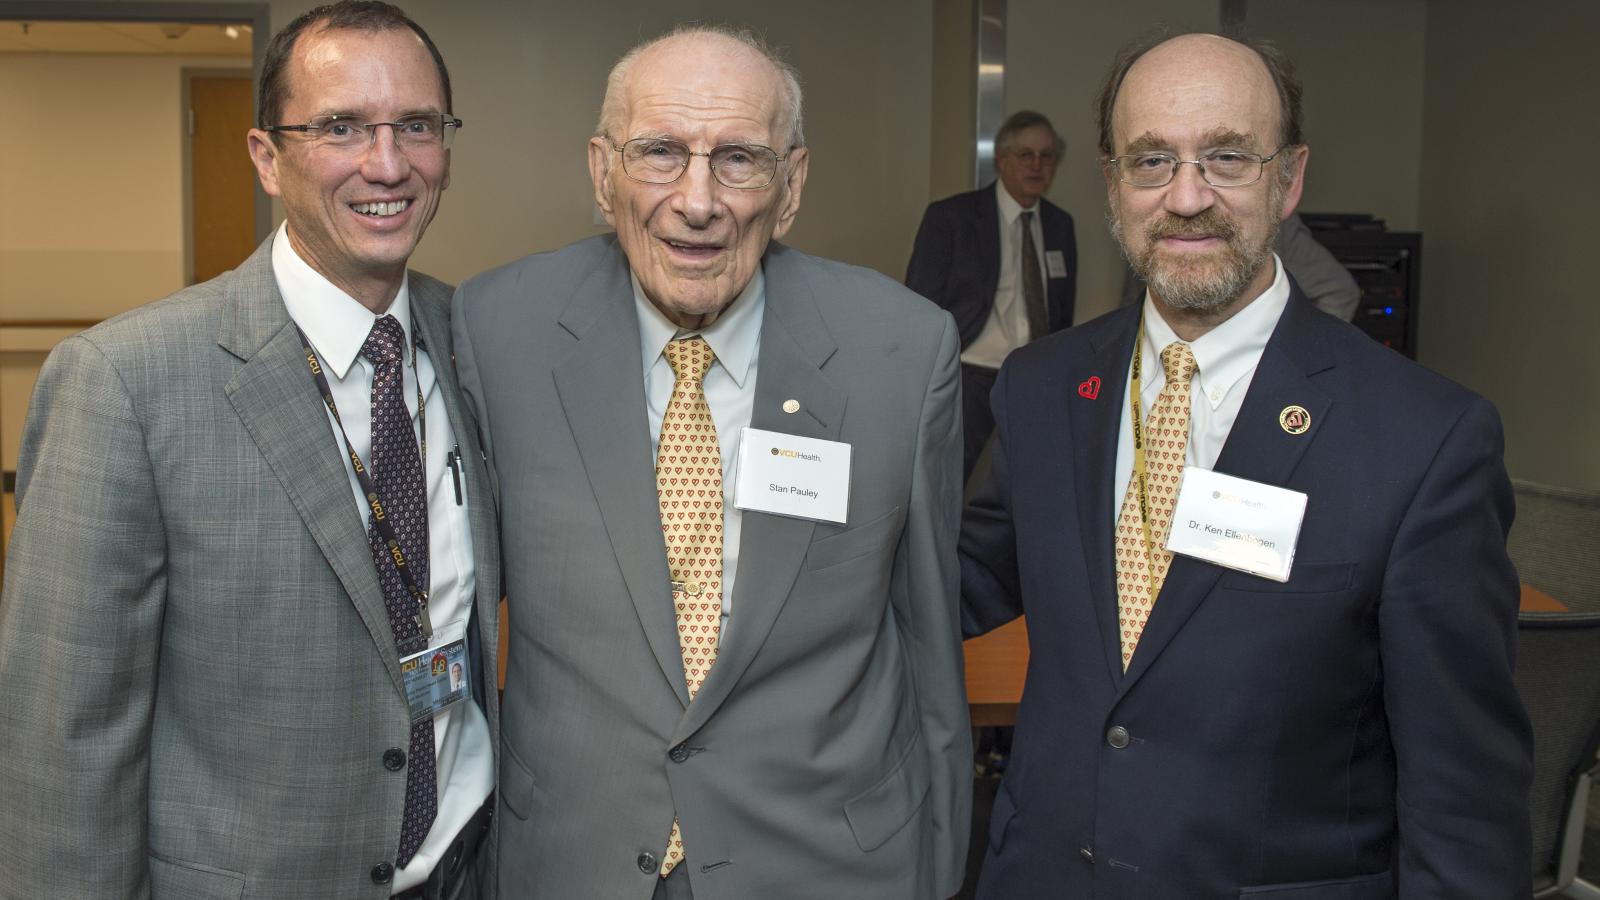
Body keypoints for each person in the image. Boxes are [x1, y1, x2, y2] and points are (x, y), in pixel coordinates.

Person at [959, 32, 1531, 899]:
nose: (1187, 197)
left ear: (1289, 177)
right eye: (1152, 161)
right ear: (1114, 183)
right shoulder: (1040, 390)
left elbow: (1463, 799)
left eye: (1226, 156)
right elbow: (960, 581)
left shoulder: (1426, 439)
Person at [452, 24, 969, 900]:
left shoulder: (902, 350)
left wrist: (943, 859)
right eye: (659, 153)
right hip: (573, 856)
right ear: (601, 171)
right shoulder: (498, 328)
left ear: (792, 184)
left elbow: (927, 642)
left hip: (827, 863)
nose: (698, 201)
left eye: (739, 159)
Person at [0, 4, 498, 898]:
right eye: (340, 127)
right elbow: (61, 742)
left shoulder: (479, 344)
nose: (387, 165)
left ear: (446, 149)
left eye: (415, 126)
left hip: (465, 869)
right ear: (268, 156)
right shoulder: (124, 383)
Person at [906, 111, 1078, 482]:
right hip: (970, 378)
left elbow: (1063, 310)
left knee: (1025, 483)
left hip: (1034, 379)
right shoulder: (952, 217)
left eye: (1046, 156)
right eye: (1025, 155)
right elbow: (919, 305)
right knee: (957, 484)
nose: (1037, 165)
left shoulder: (1060, 224)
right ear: (1002, 160)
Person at [1121, 210, 1361, 320]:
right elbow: (1134, 302)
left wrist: (1296, 353)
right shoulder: (1151, 220)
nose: (1187, 203)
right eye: (1153, 161)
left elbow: (1338, 291)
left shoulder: (1276, 225)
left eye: (1226, 158)